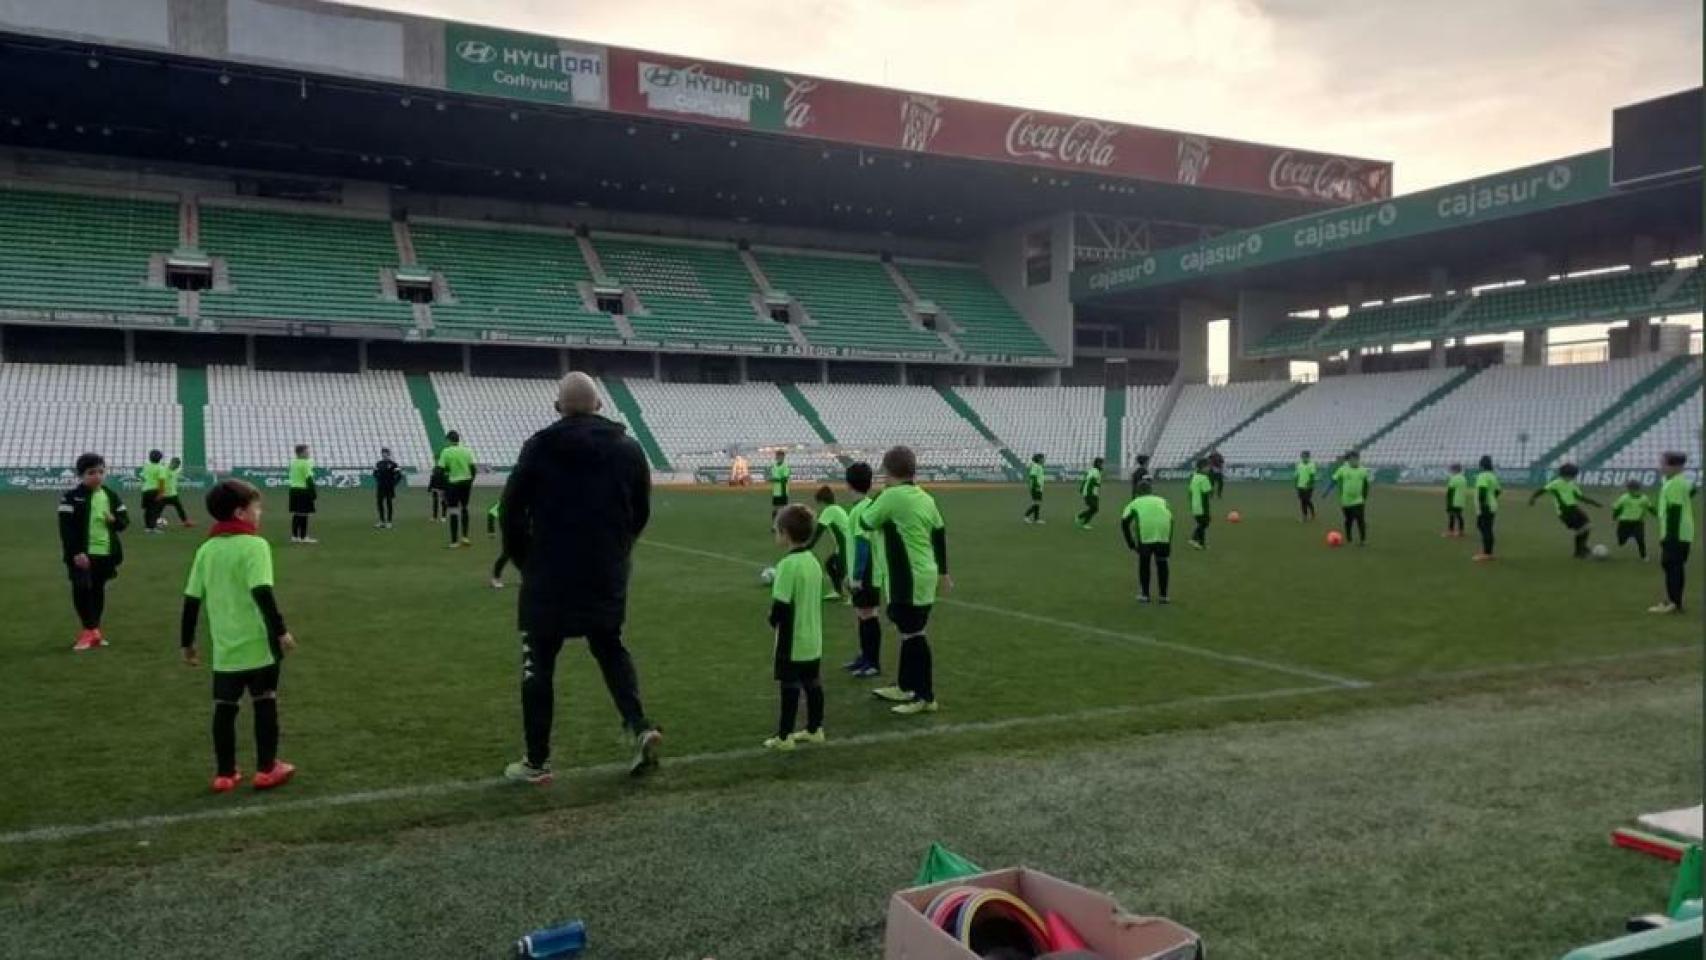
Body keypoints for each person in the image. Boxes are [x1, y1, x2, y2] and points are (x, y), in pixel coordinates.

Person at [499, 372, 662, 784]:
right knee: (610, 647)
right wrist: (618, 552)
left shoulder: (539, 447)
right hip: (604, 572)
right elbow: (640, 511)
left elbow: (510, 511)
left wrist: (526, 562)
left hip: (548, 574)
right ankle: (639, 725)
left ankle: (536, 762)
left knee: (538, 664)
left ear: (558, 408)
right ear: (600, 406)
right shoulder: (628, 449)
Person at [179, 479, 297, 793]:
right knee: (265, 702)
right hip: (258, 643)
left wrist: (187, 642)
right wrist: (281, 631)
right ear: (239, 512)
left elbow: (192, 599)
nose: (260, 512)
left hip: (225, 647)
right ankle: (267, 768)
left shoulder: (207, 549)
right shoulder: (255, 546)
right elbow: (262, 591)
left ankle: (225, 774)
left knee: (225, 707)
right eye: (256, 507)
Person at [863, 446, 951, 716]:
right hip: (923, 572)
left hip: (908, 576)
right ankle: (904, 685)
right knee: (909, 631)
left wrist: (880, 494)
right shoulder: (924, 497)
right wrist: (944, 572)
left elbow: (867, 522)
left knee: (914, 635)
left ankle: (925, 696)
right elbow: (939, 531)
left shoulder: (892, 497)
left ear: (887, 471)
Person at [764, 504, 827, 751]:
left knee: (789, 686)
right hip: (813, 638)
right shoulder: (812, 561)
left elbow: (781, 606)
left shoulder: (787, 566)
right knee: (813, 683)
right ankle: (815, 729)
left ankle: (784, 736)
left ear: (786, 534)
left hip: (792, 640)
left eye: (777, 531)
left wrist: (771, 620)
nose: (776, 535)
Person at [59, 453, 129, 652]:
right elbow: (66, 530)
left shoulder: (111, 495)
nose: (97, 476)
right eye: (91, 472)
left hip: (105, 553)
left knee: (97, 590)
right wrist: (76, 552)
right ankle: (89, 630)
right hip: (81, 556)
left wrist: (114, 521)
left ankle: (94, 631)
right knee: (81, 590)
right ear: (81, 475)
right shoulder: (71, 497)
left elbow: (124, 522)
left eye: (101, 471)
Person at [842, 462, 884, 679]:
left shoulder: (861, 511)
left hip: (867, 573)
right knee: (863, 615)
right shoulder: (865, 507)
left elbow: (862, 546)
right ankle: (865, 657)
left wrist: (856, 576)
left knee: (868, 615)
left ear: (848, 485)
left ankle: (872, 662)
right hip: (863, 572)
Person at [1651, 452, 1694, 614]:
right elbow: (1692, 490)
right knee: (1672, 565)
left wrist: (1670, 536)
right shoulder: (1678, 481)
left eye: (1664, 464)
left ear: (1675, 467)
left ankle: (1674, 604)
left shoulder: (1675, 483)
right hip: (1682, 532)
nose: (1661, 467)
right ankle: (1673, 602)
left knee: (1672, 566)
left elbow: (1675, 511)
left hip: (1677, 533)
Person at [1528, 462, 1601, 558]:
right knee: (1582, 528)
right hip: (1565, 512)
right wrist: (1533, 498)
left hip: (1574, 509)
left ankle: (1582, 548)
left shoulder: (1572, 484)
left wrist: (1593, 503)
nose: (1573, 477)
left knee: (1587, 526)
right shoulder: (1556, 483)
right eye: (1572, 475)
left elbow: (1579, 496)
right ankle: (1579, 551)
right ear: (1566, 474)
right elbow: (1542, 490)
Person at [1121, 480, 1173, 604]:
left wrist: (1131, 544)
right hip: (1163, 533)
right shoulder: (1162, 500)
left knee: (1144, 563)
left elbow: (1124, 522)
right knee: (1162, 562)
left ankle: (1145, 595)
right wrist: (1169, 540)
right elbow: (1170, 518)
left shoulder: (1134, 503)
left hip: (1146, 535)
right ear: (1151, 490)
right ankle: (1163, 596)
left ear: (1138, 492)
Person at [809, 485, 850, 600]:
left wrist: (807, 547)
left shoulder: (829, 510)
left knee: (843, 571)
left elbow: (818, 532)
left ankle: (853, 596)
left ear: (822, 500)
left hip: (846, 545)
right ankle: (839, 592)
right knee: (830, 564)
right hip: (845, 544)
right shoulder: (837, 508)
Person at [438, 430, 477, 547]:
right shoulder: (467, 450)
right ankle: (465, 537)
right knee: (464, 507)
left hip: (453, 483)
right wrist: (470, 481)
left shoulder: (446, 452)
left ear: (449, 440)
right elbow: (473, 468)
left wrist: (443, 486)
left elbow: (440, 469)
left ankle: (454, 541)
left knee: (454, 510)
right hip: (466, 482)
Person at [1325, 451, 1371, 546]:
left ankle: (1363, 540)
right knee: (1349, 520)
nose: (1354, 461)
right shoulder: (1342, 469)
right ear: (1348, 460)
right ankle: (1349, 538)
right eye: (1352, 459)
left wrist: (1364, 496)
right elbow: (1334, 480)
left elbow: (1366, 484)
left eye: (1356, 459)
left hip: (1359, 500)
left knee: (1360, 519)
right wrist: (1327, 491)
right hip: (1346, 501)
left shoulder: (1363, 470)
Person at [1611, 479, 1655, 562]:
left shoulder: (1644, 498)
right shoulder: (1624, 498)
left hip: (1638, 522)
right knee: (1621, 542)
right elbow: (1617, 508)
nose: (1633, 490)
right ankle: (1630, 535)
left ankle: (1644, 556)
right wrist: (1615, 516)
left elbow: (1650, 508)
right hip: (1624, 523)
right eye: (1631, 488)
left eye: (1635, 488)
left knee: (1640, 539)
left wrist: (1657, 514)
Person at [1472, 456, 1501, 561]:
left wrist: (1483, 504)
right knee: (1484, 527)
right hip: (1492, 505)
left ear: (1481, 465)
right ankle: (1487, 551)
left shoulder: (1482, 476)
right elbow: (1498, 490)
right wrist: (1492, 498)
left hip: (1486, 506)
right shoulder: (1492, 476)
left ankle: (1487, 553)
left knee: (1485, 528)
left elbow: (1482, 491)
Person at [287, 444, 317, 544]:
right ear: (301, 453)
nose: (308, 453)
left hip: (293, 490)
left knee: (296, 514)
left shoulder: (293, 463)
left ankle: (295, 536)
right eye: (307, 451)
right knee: (304, 514)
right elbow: (308, 478)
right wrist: (313, 492)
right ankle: (303, 537)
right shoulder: (305, 463)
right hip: (303, 490)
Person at [373, 447, 403, 529]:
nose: (384, 454)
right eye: (383, 453)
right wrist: (378, 480)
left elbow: (399, 475)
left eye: (385, 453)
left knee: (389, 503)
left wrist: (394, 484)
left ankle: (389, 522)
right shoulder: (378, 463)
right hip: (380, 487)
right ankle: (382, 521)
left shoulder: (393, 464)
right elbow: (374, 473)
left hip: (389, 487)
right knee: (379, 503)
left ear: (388, 454)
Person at [1187, 458, 1213, 550]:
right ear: (1203, 467)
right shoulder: (1204, 478)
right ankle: (1193, 538)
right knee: (1205, 522)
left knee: (1201, 523)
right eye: (1208, 467)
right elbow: (1207, 491)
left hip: (1195, 505)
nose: (1209, 468)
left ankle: (1201, 544)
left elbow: (1190, 491)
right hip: (1203, 505)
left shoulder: (1194, 477)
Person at [140, 449, 168, 533]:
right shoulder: (161, 468)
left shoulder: (146, 467)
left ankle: (147, 527)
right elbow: (161, 480)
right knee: (155, 509)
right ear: (160, 458)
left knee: (148, 509)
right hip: (155, 490)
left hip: (145, 490)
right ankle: (153, 528)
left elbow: (142, 477)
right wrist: (161, 493)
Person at [160, 456, 193, 527]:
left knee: (180, 508)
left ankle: (185, 522)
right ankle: (153, 523)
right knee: (158, 510)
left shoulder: (175, 471)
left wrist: (186, 479)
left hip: (173, 495)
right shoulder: (164, 470)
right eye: (177, 465)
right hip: (164, 495)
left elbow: (177, 476)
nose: (177, 467)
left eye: (178, 466)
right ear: (172, 463)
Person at [1075, 457, 1104, 530]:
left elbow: (1085, 480)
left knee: (1094, 509)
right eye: (1101, 463)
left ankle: (1081, 518)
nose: (1102, 465)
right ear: (1097, 463)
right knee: (1094, 508)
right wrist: (1096, 486)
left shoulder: (1093, 471)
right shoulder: (1095, 472)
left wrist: (1082, 489)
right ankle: (1083, 521)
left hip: (1092, 492)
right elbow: (1091, 481)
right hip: (1090, 493)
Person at [488, 500, 510, 589]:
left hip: (523, 529)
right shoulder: (505, 501)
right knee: (507, 554)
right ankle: (495, 578)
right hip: (509, 530)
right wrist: (491, 531)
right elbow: (491, 514)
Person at [1443, 463, 1468, 538]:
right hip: (1461, 501)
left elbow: (1450, 491)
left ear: (1455, 470)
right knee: (1459, 516)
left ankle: (1451, 531)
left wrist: (1448, 503)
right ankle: (1461, 531)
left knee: (1451, 516)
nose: (1451, 471)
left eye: (1452, 469)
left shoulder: (1453, 478)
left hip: (1454, 500)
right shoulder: (1463, 478)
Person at [768, 449, 791, 524]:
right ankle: (775, 525)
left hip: (783, 490)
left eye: (781, 456)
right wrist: (774, 479)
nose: (779, 457)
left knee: (784, 509)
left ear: (783, 457)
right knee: (776, 509)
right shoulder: (774, 466)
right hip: (776, 491)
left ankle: (783, 524)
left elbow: (785, 479)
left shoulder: (785, 466)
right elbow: (775, 477)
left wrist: (774, 480)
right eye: (778, 456)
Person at [1294, 451, 1317, 522]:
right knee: (1302, 501)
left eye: (1305, 457)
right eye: (1302, 456)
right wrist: (1296, 484)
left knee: (1306, 500)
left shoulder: (1312, 465)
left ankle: (1312, 512)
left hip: (1309, 487)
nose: (1304, 458)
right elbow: (1296, 475)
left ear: (1308, 457)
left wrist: (1309, 484)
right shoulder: (1299, 465)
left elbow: (1312, 476)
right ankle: (1304, 516)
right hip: (1300, 486)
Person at [1023, 453, 1046, 524]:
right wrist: (1036, 485)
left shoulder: (1039, 466)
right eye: (1042, 458)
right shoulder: (1036, 466)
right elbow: (1033, 476)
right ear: (1038, 459)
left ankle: (1036, 519)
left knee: (1037, 503)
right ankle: (1026, 516)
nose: (1043, 459)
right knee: (1036, 503)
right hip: (1035, 488)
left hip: (1038, 488)